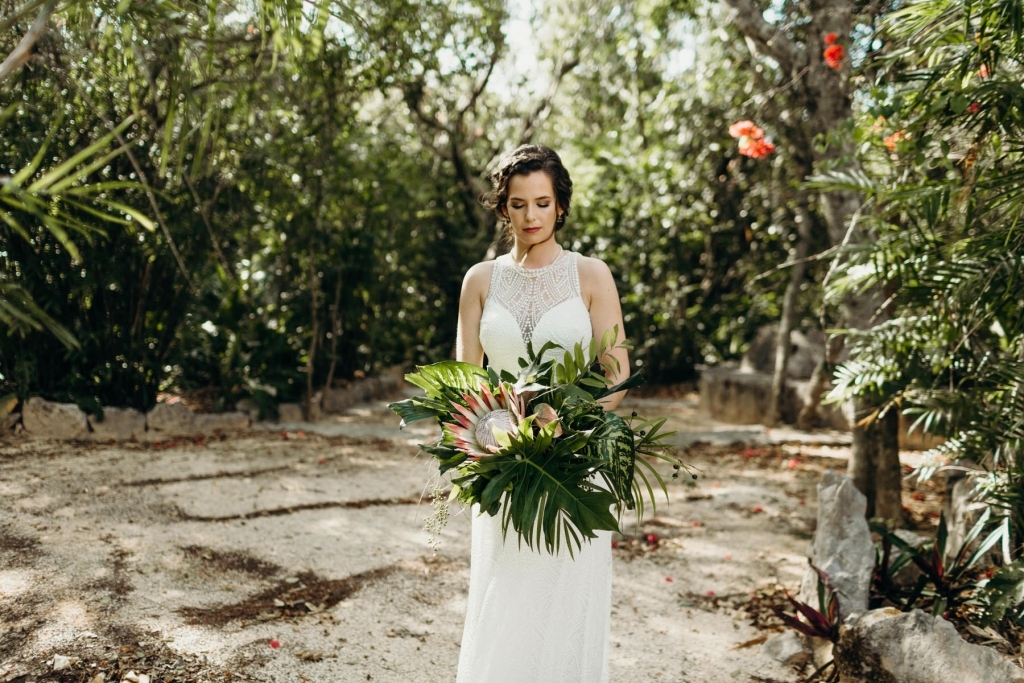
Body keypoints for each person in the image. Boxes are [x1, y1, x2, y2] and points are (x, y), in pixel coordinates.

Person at [454, 144, 629, 683]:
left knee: (565, 600)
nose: (531, 217)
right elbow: (467, 381)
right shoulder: (479, 280)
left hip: (575, 465)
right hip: (505, 464)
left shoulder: (591, 275)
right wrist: (493, 435)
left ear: (560, 206)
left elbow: (617, 371)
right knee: (505, 595)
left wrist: (566, 424)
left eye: (543, 203)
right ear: (502, 206)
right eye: (519, 204)